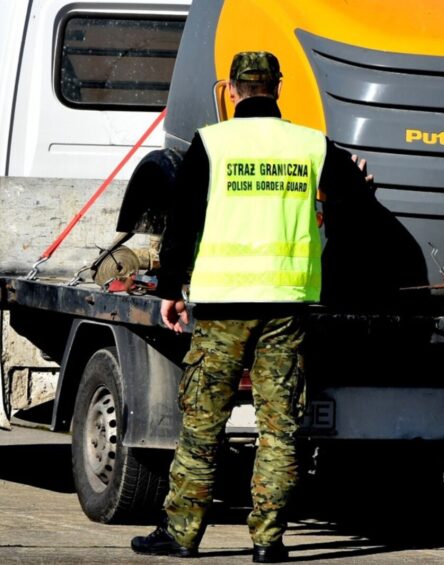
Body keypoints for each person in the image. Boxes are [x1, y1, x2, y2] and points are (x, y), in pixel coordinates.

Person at [131, 51, 373, 563]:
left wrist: (169, 290)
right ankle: (268, 541)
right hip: (287, 307)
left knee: (203, 426)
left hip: (221, 306)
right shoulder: (310, 145)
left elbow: (183, 221)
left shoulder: (212, 143)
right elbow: (357, 202)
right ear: (278, 89)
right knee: (280, 428)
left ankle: (182, 534)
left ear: (234, 90)